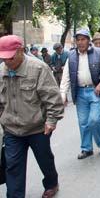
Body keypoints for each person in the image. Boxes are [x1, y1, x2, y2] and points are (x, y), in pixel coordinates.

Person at [0, 35, 64, 198]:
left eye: (11, 58)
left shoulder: (38, 68)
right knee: (13, 167)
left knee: (45, 160)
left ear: (21, 51)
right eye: (4, 58)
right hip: (12, 130)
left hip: (38, 128)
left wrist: (51, 120)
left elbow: (52, 97)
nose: (8, 62)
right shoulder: (2, 71)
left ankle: (51, 183)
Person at [60, 29, 100, 159]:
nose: (80, 42)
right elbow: (66, 77)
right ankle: (86, 148)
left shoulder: (98, 52)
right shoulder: (71, 56)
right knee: (83, 122)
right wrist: (63, 95)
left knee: (95, 120)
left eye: (83, 39)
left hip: (95, 91)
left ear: (88, 41)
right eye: (78, 40)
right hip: (80, 93)